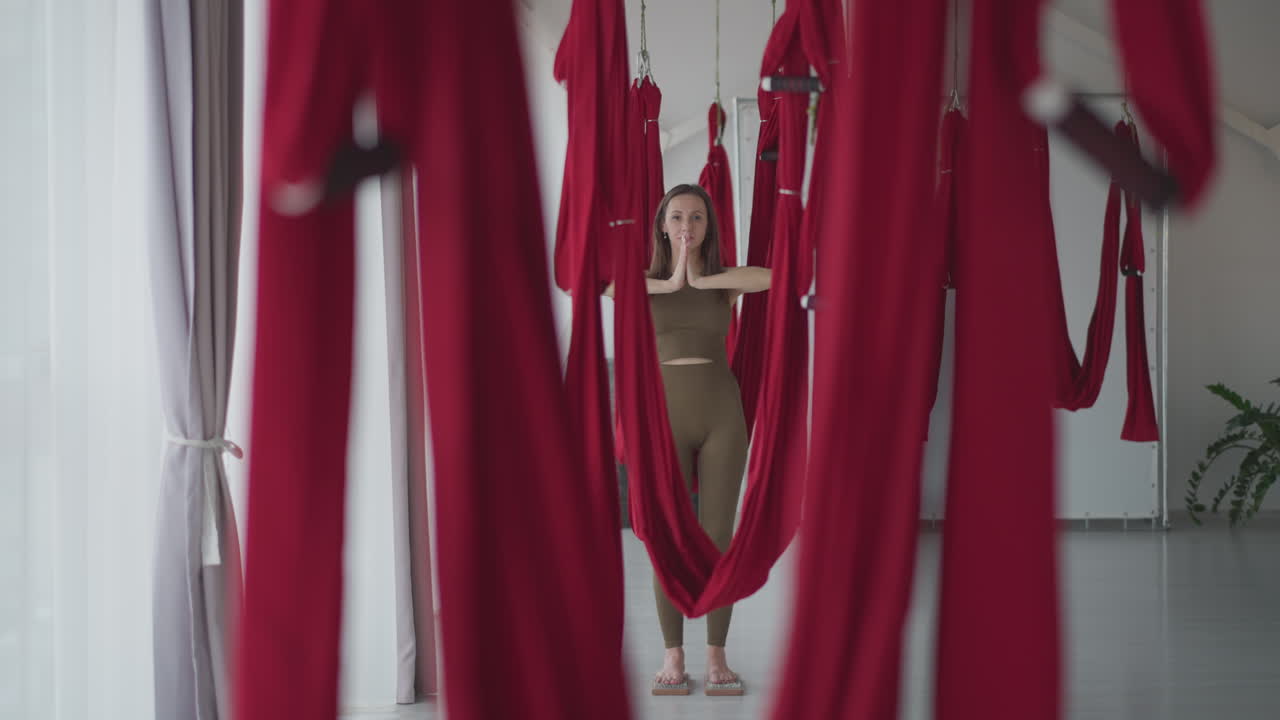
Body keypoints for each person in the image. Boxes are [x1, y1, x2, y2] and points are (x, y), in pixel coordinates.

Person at [608, 183, 770, 695]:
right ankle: (673, 655)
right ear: (661, 225)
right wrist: (675, 276)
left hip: (723, 412)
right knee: (666, 537)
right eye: (676, 217)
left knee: (719, 538)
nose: (686, 226)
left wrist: (699, 277)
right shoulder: (640, 281)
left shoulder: (723, 281)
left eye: (696, 218)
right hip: (664, 417)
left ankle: (717, 655)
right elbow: (606, 284)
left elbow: (773, 276)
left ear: (708, 227)